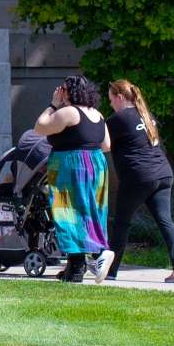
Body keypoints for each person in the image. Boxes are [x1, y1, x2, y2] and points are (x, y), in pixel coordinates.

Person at [103, 79, 174, 283]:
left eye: (110, 100)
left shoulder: (118, 119)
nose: (110, 104)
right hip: (162, 174)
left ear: (119, 97)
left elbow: (105, 145)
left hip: (138, 177)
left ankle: (110, 271)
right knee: (165, 220)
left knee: (121, 223)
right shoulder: (146, 115)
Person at [32, 76, 113, 284]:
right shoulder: (97, 114)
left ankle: (95, 256)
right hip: (96, 164)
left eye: (63, 90)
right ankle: (77, 265)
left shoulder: (68, 112)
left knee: (67, 211)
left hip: (70, 163)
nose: (60, 92)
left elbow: (40, 127)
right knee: (90, 210)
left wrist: (52, 104)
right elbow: (106, 145)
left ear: (70, 92)